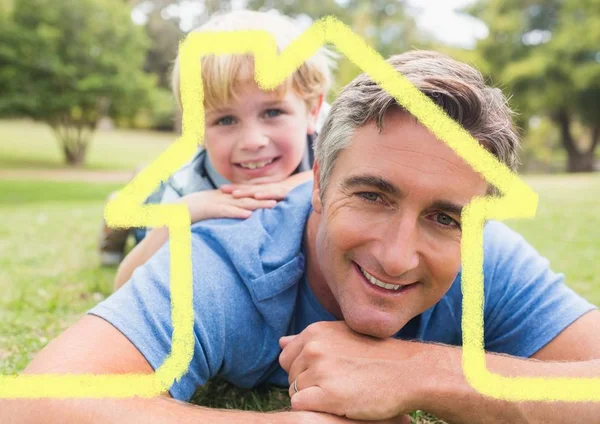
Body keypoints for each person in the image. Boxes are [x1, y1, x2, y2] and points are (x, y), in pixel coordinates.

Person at [4, 51, 600, 423]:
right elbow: (36, 405)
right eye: (372, 195)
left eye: (444, 217)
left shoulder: (486, 257)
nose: (397, 256)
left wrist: (423, 374)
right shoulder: (229, 256)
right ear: (317, 184)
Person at [98, 9, 335, 277]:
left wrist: (300, 183)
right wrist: (181, 214)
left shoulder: (334, 138)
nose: (253, 141)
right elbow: (125, 284)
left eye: (272, 113)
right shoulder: (189, 186)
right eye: (225, 120)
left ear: (312, 111)